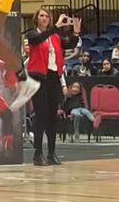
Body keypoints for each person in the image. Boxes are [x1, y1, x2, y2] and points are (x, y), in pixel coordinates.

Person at [26, 9, 80, 166]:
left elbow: (69, 43)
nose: (44, 18)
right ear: (36, 19)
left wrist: (75, 33)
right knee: (41, 115)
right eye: (41, 16)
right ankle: (37, 154)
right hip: (38, 77)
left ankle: (52, 152)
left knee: (52, 117)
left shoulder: (55, 36)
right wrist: (55, 26)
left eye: (46, 16)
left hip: (53, 77)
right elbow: (39, 39)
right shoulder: (33, 34)